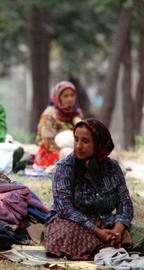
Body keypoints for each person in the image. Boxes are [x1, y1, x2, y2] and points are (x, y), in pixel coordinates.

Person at [44, 119, 134, 260]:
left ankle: (111, 241)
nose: (78, 146)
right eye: (76, 140)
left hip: (106, 221)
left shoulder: (113, 168)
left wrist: (118, 229)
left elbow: (125, 204)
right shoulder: (65, 168)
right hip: (71, 222)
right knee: (66, 233)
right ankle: (106, 245)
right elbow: (65, 208)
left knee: (138, 235)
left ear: (99, 144)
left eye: (85, 141)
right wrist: (97, 231)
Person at [35, 81, 84, 169]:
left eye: (72, 95)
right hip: (50, 152)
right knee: (69, 158)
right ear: (58, 97)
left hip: (75, 149)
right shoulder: (49, 114)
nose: (70, 99)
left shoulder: (77, 113)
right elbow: (48, 143)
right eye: (65, 96)